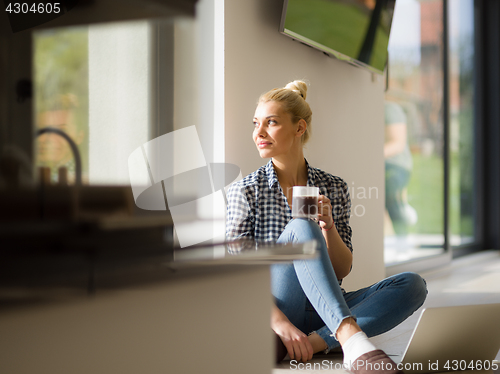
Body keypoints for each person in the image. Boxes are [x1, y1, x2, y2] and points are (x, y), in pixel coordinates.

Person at [225, 80, 427, 373]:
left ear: (299, 128)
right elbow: (236, 276)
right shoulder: (245, 191)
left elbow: (342, 270)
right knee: (301, 229)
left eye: (271, 123)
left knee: (412, 285)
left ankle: (315, 342)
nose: (259, 133)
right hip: (277, 308)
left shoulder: (333, 186)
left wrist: (329, 226)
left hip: (325, 311)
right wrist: (280, 323)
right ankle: (350, 340)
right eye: (256, 123)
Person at [384, 101, 415, 236]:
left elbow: (398, 144)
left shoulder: (390, 109)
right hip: (382, 165)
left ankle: (404, 240)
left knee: (393, 203)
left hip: (396, 166)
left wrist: (370, 156)